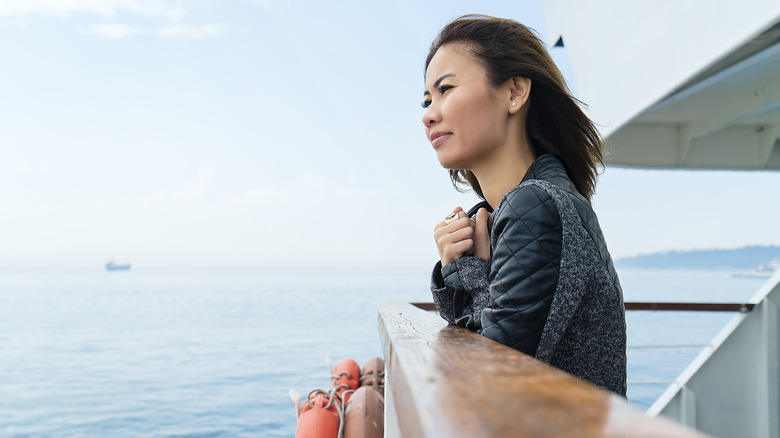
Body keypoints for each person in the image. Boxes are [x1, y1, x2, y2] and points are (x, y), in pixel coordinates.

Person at [423, 15, 627, 396]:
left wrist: (469, 269)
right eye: (427, 99)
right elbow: (485, 331)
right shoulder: (526, 205)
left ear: (515, 92)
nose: (428, 113)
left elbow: (489, 375)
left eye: (445, 89)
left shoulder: (536, 205)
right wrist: (457, 266)